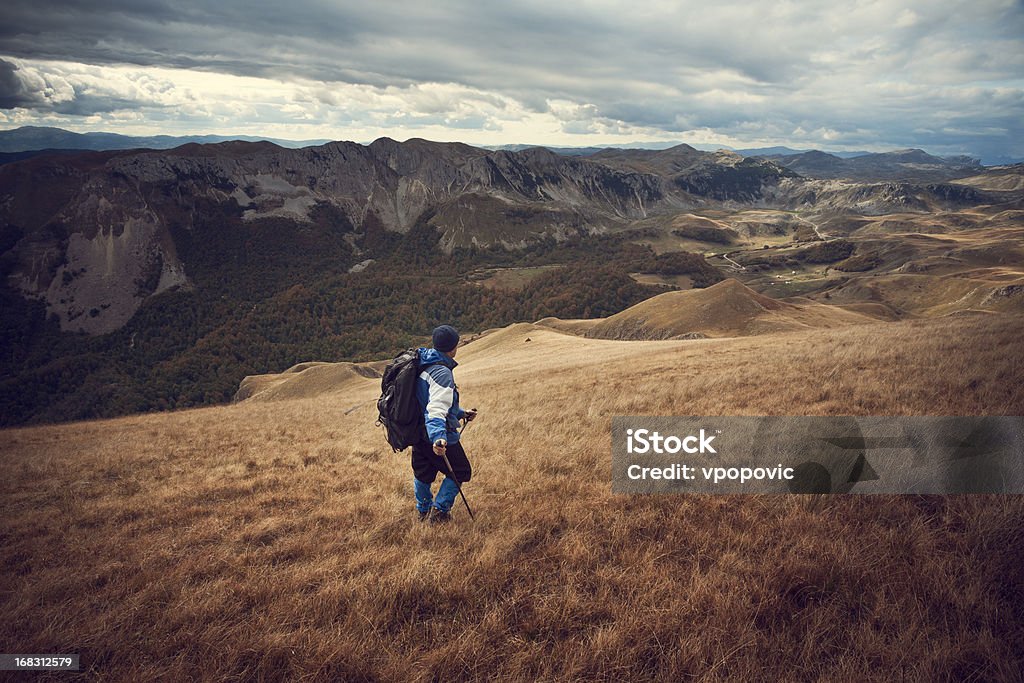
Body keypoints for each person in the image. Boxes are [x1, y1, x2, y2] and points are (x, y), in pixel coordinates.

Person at [412, 324, 477, 523]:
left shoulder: (424, 366)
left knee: (424, 472)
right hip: (438, 434)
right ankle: (439, 511)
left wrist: (460, 413)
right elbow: (436, 409)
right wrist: (439, 438)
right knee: (461, 471)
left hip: (418, 431)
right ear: (453, 347)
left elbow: (430, 402)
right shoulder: (442, 373)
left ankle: (423, 510)